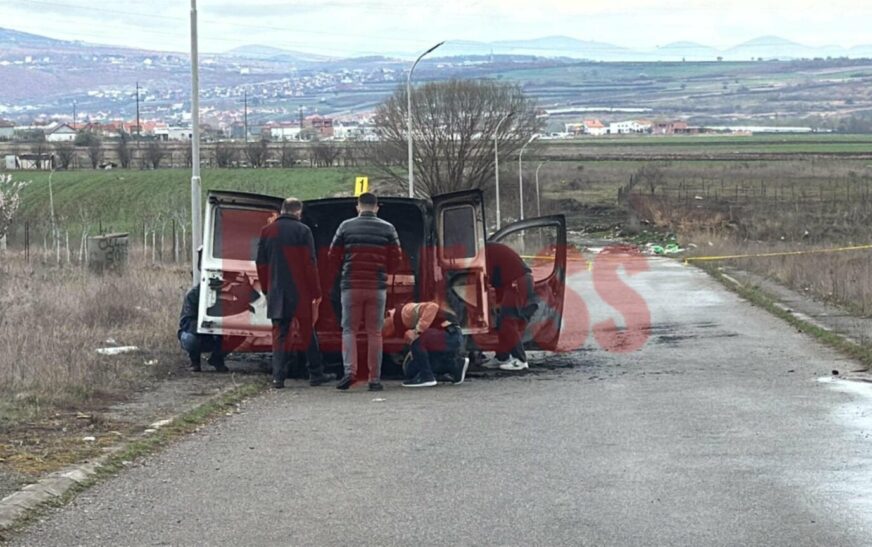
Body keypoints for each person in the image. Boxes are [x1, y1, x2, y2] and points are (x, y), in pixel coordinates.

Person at [328, 192, 402, 391]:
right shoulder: (388, 228)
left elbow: (332, 255)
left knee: (349, 330)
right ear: (377, 207)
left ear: (358, 207)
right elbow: (397, 259)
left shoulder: (345, 226)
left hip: (350, 285)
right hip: (376, 287)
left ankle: (349, 372)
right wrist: (384, 271)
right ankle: (375, 379)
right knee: (375, 332)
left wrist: (343, 270)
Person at [256, 197, 330, 389]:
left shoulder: (267, 232)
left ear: (282, 210)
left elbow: (261, 264)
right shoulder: (303, 231)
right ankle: (315, 373)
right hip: (301, 291)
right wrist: (316, 291)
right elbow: (310, 263)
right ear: (298, 212)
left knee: (279, 334)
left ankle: (278, 377)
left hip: (276, 290)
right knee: (307, 332)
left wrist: (266, 289)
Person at [384, 301, 469, 388]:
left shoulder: (405, 312)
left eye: (382, 328)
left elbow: (432, 306)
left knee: (417, 340)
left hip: (449, 334)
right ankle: (455, 367)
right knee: (411, 370)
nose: (383, 333)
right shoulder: (399, 324)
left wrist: (417, 331)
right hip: (448, 338)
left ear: (387, 316)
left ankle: (427, 377)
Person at [482, 242, 536, 371]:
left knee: (507, 321)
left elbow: (489, 277)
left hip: (516, 283)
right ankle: (502, 356)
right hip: (517, 283)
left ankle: (521, 359)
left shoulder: (485, 253)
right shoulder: (491, 249)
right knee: (503, 321)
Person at [178, 283, 230, 372]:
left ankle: (217, 358)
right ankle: (195, 361)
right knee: (190, 338)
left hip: (217, 335)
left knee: (239, 334)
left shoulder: (229, 294)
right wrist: (207, 327)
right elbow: (186, 322)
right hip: (200, 335)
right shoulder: (193, 294)